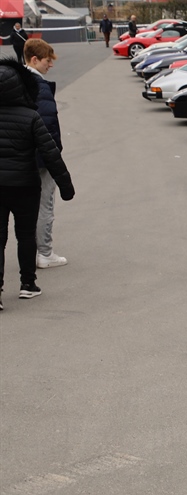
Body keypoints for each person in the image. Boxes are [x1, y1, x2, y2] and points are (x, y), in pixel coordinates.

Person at [0, 58, 75, 309]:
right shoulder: (30, 116)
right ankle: (27, 284)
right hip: (25, 185)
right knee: (25, 235)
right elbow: (50, 153)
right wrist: (66, 185)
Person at [24, 39, 67, 269]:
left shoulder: (15, 81)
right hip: (40, 157)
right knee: (45, 205)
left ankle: (29, 251)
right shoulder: (39, 87)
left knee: (24, 207)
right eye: (47, 61)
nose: (50, 65)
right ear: (35, 60)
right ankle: (45, 253)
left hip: (18, 155)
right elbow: (47, 126)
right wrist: (54, 157)